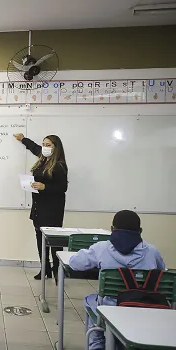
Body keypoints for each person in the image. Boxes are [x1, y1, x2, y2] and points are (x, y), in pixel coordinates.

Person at [69, 210, 165, 350]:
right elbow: (163, 274)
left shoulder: (102, 248)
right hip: (146, 309)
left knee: (90, 300)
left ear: (112, 229)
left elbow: (74, 263)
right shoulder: (152, 251)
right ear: (140, 231)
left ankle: (97, 344)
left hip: (110, 310)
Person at [14, 133, 68, 284]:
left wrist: (45, 187)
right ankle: (45, 269)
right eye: (44, 144)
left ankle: (58, 270)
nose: (45, 147)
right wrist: (23, 139)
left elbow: (62, 188)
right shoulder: (42, 160)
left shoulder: (59, 165)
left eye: (48, 145)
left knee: (54, 241)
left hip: (53, 209)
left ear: (56, 148)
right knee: (39, 237)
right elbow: (34, 148)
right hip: (38, 206)